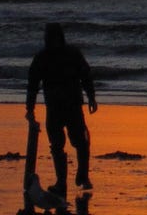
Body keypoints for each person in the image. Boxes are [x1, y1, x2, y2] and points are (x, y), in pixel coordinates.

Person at [26, 22, 98, 196]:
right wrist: (30, 108)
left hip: (72, 104)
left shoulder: (72, 54)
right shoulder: (42, 58)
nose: (54, 41)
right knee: (57, 145)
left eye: (56, 37)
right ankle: (62, 182)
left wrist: (91, 97)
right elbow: (33, 84)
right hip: (54, 107)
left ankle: (83, 176)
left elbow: (85, 75)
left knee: (80, 141)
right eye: (51, 38)